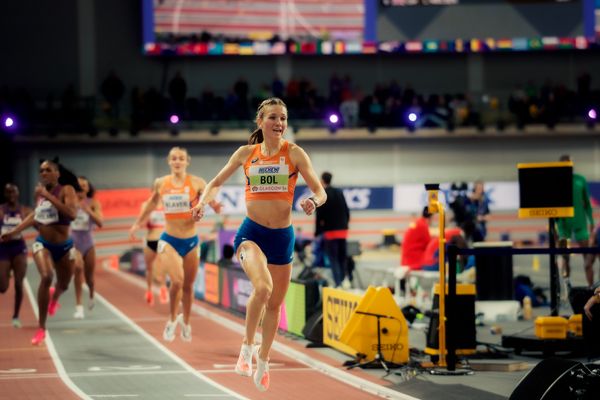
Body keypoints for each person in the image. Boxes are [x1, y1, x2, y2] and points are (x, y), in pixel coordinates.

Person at [191, 97, 326, 392]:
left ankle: (263, 361)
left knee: (275, 304)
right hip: (251, 234)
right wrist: (202, 202)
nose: (279, 123)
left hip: (282, 237)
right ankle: (246, 348)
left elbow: (320, 190)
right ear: (260, 122)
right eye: (273, 118)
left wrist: (313, 201)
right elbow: (214, 183)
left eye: (283, 118)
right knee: (262, 289)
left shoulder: (295, 153)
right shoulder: (245, 154)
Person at [129, 147, 221, 343]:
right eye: (174, 158)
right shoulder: (161, 183)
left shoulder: (196, 182)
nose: (177, 161)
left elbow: (210, 194)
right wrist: (138, 222)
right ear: (169, 162)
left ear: (187, 161)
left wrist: (212, 204)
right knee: (177, 281)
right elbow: (152, 204)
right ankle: (171, 319)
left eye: (181, 158)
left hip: (191, 241)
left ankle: (185, 322)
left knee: (188, 286)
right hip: (169, 239)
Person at [1, 158, 79, 345]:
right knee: (46, 276)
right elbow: (34, 216)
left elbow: (72, 214)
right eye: (41, 170)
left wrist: (47, 195)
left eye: (47, 170)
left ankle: (54, 299)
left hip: (64, 246)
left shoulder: (66, 190)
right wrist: (14, 231)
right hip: (42, 243)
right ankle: (41, 328)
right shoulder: (41, 195)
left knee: (65, 283)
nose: (43, 173)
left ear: (57, 173)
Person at [555, 154, 595, 287]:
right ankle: (567, 289)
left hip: (580, 224)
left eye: (570, 164)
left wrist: (592, 223)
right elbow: (553, 207)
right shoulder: (556, 182)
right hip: (563, 225)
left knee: (588, 260)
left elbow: (588, 204)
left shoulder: (580, 180)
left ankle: (592, 289)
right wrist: (555, 227)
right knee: (565, 258)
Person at [0, 183, 33, 328]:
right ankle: (6, 274)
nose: (11, 195)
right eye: (8, 192)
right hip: (3, 249)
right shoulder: (1, 210)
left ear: (18, 194)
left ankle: (15, 316)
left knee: (19, 284)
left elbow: (39, 223)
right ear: (5, 195)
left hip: (19, 249)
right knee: (2, 288)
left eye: (14, 192)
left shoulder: (24, 211)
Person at [70, 176, 103, 319]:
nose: (81, 187)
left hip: (88, 243)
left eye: (84, 185)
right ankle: (79, 307)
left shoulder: (93, 203)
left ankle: (91, 292)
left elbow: (100, 223)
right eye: (79, 185)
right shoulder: (69, 203)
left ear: (88, 188)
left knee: (89, 278)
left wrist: (88, 210)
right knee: (77, 269)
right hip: (73, 242)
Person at [315, 172, 350, 288]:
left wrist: (317, 232)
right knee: (342, 257)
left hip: (330, 232)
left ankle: (338, 283)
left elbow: (319, 215)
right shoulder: (339, 192)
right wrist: (345, 225)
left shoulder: (323, 194)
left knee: (333, 259)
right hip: (343, 231)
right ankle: (345, 280)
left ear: (322, 180)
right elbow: (346, 210)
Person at [130, 200, 168, 306]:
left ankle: (163, 288)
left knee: (162, 264)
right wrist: (135, 228)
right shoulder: (146, 205)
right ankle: (149, 290)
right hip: (150, 240)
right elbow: (142, 222)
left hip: (163, 239)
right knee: (149, 268)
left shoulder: (168, 203)